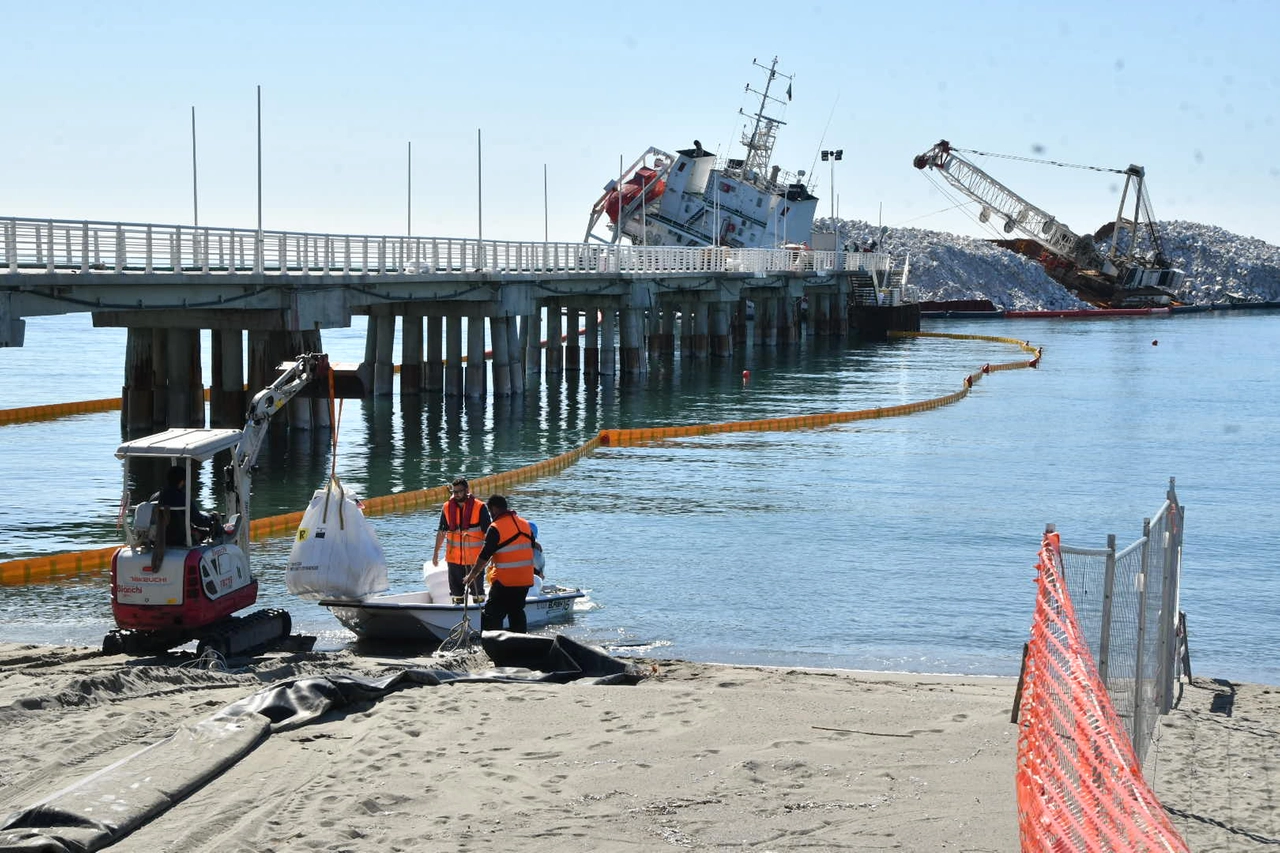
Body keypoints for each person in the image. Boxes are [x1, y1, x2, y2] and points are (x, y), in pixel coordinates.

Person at [464, 495, 537, 632]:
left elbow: (484, 555)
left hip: (505, 581)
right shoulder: (525, 524)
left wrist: (472, 575)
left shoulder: (496, 527)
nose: (490, 515)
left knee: (492, 615)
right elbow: (531, 546)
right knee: (516, 612)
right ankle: (521, 643)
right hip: (525, 581)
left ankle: (491, 645)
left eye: (490, 511)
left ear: (494, 509)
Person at [431, 477, 491, 604]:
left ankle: (480, 615)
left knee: (477, 592)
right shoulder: (447, 507)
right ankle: (457, 614)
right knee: (456, 594)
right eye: (454, 492)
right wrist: (436, 553)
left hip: (475, 560)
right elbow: (441, 532)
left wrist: (490, 555)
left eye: (459, 491)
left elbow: (489, 534)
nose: (456, 494)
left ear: (467, 490)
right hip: (454, 559)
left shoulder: (480, 507)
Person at [152, 465, 218, 547]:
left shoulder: (155, 497)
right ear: (182, 482)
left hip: (160, 537)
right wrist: (212, 517)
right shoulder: (183, 498)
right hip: (179, 539)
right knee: (209, 531)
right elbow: (199, 521)